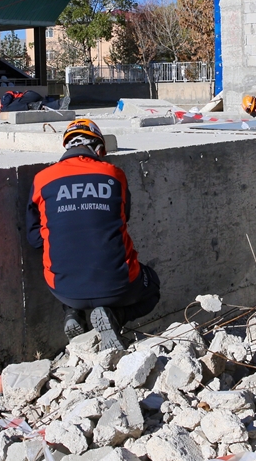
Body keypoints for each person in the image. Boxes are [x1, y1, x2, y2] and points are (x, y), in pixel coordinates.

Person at [26, 119, 161, 351]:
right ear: (99, 149)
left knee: (67, 264)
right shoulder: (114, 174)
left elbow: (34, 238)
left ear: (67, 147)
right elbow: (122, 217)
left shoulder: (42, 179)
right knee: (153, 286)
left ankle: (73, 314)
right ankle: (116, 315)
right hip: (119, 285)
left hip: (63, 289)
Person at [0, 90, 68, 112]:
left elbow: (5, 107)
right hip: (34, 101)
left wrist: (1, 111)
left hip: (29, 96)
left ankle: (31, 106)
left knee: (6, 110)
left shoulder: (5, 96)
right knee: (45, 108)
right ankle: (61, 102)